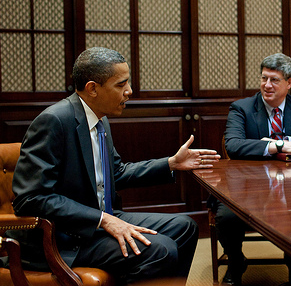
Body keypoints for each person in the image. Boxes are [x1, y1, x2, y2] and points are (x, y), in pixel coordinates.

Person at [10, 47, 220, 284]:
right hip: (65, 236)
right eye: (121, 85)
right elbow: (30, 198)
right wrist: (103, 219)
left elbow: (116, 174)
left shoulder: (100, 120)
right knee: (160, 250)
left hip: (100, 220)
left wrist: (171, 163)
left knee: (185, 228)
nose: (129, 91)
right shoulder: (54, 121)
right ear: (92, 88)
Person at [212, 53, 291, 286]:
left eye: (274, 80)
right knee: (226, 216)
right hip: (248, 185)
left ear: (289, 83)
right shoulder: (242, 108)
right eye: (264, 78)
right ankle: (237, 261)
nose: (267, 85)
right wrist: (278, 145)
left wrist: (289, 139)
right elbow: (233, 145)